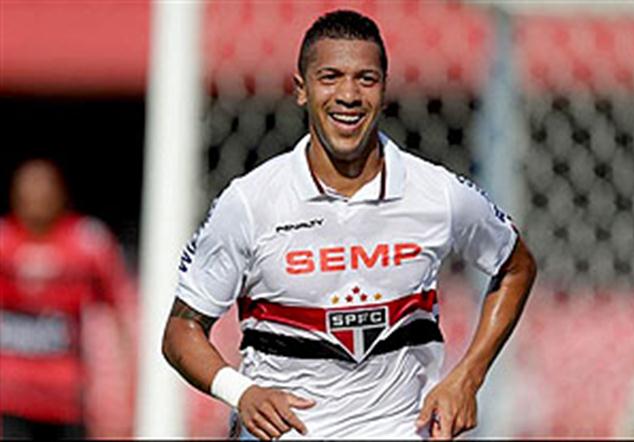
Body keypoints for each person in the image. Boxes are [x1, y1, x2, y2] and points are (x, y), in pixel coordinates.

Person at [163, 9, 536, 440]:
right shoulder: (250, 202)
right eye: (330, 77)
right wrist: (241, 392)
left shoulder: (437, 193)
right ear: (301, 90)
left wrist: (469, 375)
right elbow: (180, 331)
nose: (348, 94)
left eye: (366, 79)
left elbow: (516, 266)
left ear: (384, 90)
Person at [0, 159, 135, 439]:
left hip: (66, 400)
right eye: (28, 189)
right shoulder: (3, 241)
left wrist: (129, 374)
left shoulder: (87, 242)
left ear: (60, 194)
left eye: (45, 189)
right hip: (8, 397)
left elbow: (119, 305)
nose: (37, 197)